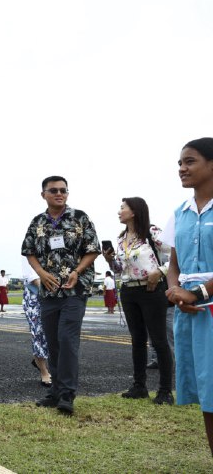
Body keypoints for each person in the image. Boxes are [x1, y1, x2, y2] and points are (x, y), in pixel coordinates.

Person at [22, 176, 100, 416]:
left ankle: (67, 394)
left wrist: (77, 271)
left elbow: (92, 250)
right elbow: (29, 251)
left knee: (67, 339)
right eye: (53, 190)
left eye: (63, 190)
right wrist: (41, 273)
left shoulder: (80, 218)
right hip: (48, 291)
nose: (59, 194)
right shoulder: (38, 222)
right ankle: (55, 391)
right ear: (43, 194)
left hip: (75, 289)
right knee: (53, 341)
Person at [163, 137, 213, 454]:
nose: (182, 168)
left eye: (190, 161)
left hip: (206, 305)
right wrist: (175, 291)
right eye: (180, 163)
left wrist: (198, 293)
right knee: (207, 395)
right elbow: (174, 265)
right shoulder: (179, 213)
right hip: (190, 312)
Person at [102, 197, 173, 405]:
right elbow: (119, 269)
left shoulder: (152, 233)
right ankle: (139, 386)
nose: (119, 211)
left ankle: (165, 390)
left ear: (134, 211)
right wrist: (109, 260)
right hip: (129, 291)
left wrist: (160, 272)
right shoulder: (122, 237)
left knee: (159, 341)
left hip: (151, 290)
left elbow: (177, 255)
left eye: (122, 208)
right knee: (137, 340)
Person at [21, 258, 51, 387]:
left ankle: (39, 360)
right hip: (35, 294)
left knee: (53, 332)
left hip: (56, 293)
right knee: (38, 332)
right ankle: (44, 371)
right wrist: (48, 290)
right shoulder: (29, 245)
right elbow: (31, 275)